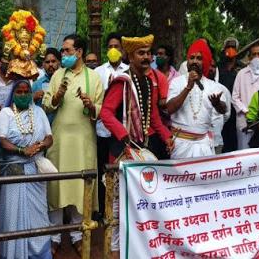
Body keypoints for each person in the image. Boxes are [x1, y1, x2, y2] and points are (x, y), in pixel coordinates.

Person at [100, 34, 172, 254]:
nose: (147, 57)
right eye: (141, 53)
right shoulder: (122, 81)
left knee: (140, 203)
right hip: (122, 150)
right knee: (118, 205)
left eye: (148, 53)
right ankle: (113, 251)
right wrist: (123, 136)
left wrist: (166, 136)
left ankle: (136, 249)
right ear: (130, 56)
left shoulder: (150, 82)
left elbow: (155, 118)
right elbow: (105, 113)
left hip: (143, 150)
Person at [43, 34, 104, 255]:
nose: (64, 55)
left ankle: (79, 236)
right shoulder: (58, 74)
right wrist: (58, 95)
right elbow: (47, 105)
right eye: (63, 51)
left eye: (67, 51)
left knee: (81, 187)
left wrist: (90, 104)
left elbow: (101, 109)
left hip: (83, 140)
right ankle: (55, 236)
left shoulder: (94, 77)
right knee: (57, 187)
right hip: (59, 139)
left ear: (78, 52)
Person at [0, 80, 53, 259]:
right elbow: (2, 140)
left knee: (39, 212)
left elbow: (50, 137)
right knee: (13, 215)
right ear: (13, 94)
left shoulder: (39, 111)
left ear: (30, 92)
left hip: (35, 168)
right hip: (14, 169)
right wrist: (22, 150)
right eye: (19, 92)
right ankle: (14, 254)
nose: (22, 95)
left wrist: (41, 145)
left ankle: (39, 253)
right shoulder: (5, 113)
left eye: (26, 91)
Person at [167, 39, 226, 159]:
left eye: (199, 58)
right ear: (187, 61)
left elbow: (223, 110)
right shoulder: (177, 82)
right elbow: (169, 109)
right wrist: (188, 87)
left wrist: (217, 104)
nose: (194, 61)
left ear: (205, 62)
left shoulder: (213, 85)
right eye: (191, 57)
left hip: (203, 145)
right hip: (180, 144)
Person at [94, 32, 128, 216]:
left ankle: (118, 211)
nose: (113, 50)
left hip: (121, 130)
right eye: (110, 47)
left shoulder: (128, 71)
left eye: (117, 46)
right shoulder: (98, 71)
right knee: (102, 170)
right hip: (101, 129)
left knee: (117, 170)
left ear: (122, 50)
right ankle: (102, 209)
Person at [232, 37, 259, 150]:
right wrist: (246, 111)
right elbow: (234, 98)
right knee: (244, 155)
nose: (257, 57)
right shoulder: (241, 74)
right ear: (249, 57)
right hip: (244, 123)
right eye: (254, 54)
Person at [219, 37, 239, 152]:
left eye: (233, 47)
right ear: (224, 49)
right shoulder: (218, 66)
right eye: (228, 47)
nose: (230, 49)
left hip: (236, 110)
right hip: (221, 108)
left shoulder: (241, 67)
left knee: (234, 141)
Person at [208, 59, 231, 154]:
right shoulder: (193, 87)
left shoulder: (222, 89)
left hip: (217, 141)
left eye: (213, 66)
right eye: (209, 65)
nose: (211, 69)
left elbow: (226, 115)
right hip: (199, 143)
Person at [32, 48, 61, 124]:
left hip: (61, 128)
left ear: (59, 62)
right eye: (47, 62)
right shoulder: (36, 84)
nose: (50, 64)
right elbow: (28, 108)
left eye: (53, 61)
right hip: (43, 127)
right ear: (43, 65)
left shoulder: (64, 82)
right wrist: (33, 98)